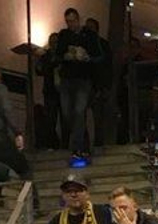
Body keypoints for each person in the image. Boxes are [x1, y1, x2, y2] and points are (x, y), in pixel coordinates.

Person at [50, 7, 101, 162]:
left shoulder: (89, 35)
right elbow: (57, 55)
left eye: (73, 21)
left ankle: (78, 146)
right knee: (67, 113)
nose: (71, 24)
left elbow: (99, 55)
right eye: (68, 21)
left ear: (78, 19)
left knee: (79, 111)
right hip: (67, 79)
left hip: (83, 79)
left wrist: (87, 58)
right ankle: (81, 143)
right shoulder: (64, 35)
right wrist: (66, 56)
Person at [36, 172, 117, 224]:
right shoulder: (57, 221)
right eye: (68, 191)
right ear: (63, 196)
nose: (73, 195)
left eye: (78, 190)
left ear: (87, 193)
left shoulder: (105, 213)